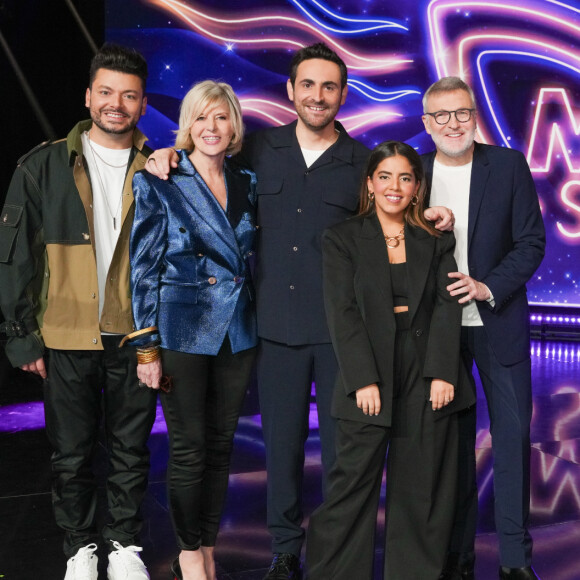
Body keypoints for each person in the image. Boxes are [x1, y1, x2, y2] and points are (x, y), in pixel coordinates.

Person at [144, 43, 453, 580]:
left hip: (344, 335)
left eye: (329, 86)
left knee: (343, 456)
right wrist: (166, 155)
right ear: (290, 90)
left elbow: (393, 204)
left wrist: (430, 212)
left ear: (342, 94)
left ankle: (336, 554)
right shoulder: (257, 152)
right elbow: (206, 164)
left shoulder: (362, 162)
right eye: (307, 85)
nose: (317, 96)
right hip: (274, 331)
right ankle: (285, 551)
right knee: (280, 450)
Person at [0, 44, 156, 580]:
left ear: (141, 103)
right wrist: (22, 337)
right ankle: (79, 549)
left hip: (135, 332)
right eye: (107, 92)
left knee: (131, 449)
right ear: (88, 96)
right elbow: (15, 256)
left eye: (129, 95)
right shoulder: (42, 165)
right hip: (66, 332)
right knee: (70, 452)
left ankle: (123, 545)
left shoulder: (158, 168)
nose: (117, 104)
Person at [305, 141, 474, 580]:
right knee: (350, 488)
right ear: (369, 183)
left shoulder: (437, 240)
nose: (394, 186)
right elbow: (341, 312)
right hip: (369, 369)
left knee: (422, 492)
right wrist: (363, 379)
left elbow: (446, 304)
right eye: (385, 177)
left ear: (418, 187)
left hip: (425, 369)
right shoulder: (341, 238)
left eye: (405, 177)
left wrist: (441, 372)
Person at [128, 80, 258, 580]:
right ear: (188, 125)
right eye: (202, 118)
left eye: (221, 117)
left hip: (237, 329)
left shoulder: (248, 178)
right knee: (189, 446)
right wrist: (146, 349)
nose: (212, 128)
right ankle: (188, 552)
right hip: (181, 327)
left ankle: (207, 544)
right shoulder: (160, 179)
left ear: (234, 126)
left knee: (223, 444)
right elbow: (142, 268)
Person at [420, 77, 545, 580]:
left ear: (476, 117)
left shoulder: (509, 166)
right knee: (448, 449)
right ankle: (455, 556)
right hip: (436, 332)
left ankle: (515, 561)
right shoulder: (413, 172)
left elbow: (531, 243)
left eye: (462, 113)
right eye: (441, 116)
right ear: (426, 124)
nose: (453, 123)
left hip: (498, 320)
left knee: (511, 440)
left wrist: (486, 286)